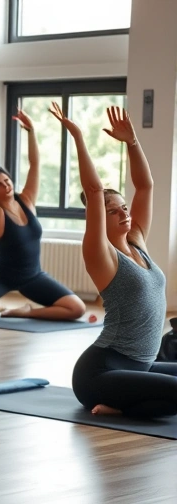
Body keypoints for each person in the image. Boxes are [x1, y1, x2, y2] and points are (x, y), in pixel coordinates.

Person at [57, 105, 176, 418]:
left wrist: (132, 142)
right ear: (99, 217)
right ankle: (122, 403)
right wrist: (79, 138)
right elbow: (94, 191)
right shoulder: (101, 254)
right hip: (100, 373)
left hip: (142, 365)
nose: (124, 212)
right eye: (113, 211)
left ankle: (122, 407)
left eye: (124, 207)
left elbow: (146, 186)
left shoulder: (137, 240)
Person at [0, 114, 86, 321]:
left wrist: (32, 131)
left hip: (33, 277)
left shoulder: (26, 201)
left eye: (7, 180)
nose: (6, 185)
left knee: (77, 308)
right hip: (0, 277)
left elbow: (35, 164)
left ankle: (25, 311)